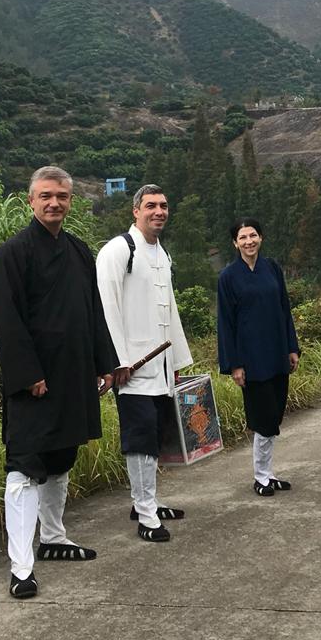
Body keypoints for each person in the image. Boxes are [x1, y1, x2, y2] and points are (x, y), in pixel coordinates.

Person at [0, 166, 117, 600]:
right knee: (25, 465)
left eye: (61, 196)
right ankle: (21, 566)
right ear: (31, 201)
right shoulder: (14, 253)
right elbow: (7, 320)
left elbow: (93, 311)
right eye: (45, 196)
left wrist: (104, 363)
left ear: (70, 201)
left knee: (62, 456)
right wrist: (29, 375)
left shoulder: (79, 251)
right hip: (35, 381)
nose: (54, 203)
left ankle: (54, 538)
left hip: (74, 373)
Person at [96, 185, 192, 542]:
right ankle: (146, 514)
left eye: (164, 205)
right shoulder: (119, 250)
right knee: (139, 440)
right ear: (135, 211)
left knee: (154, 437)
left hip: (161, 366)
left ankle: (147, 502)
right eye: (151, 205)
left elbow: (171, 308)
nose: (159, 211)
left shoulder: (161, 252)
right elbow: (105, 307)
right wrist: (116, 362)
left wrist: (177, 360)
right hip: (132, 368)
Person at [217, 218, 300, 496]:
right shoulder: (228, 277)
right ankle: (261, 476)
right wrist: (234, 365)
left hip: (277, 351)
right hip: (251, 358)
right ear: (235, 243)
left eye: (253, 235)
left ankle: (269, 473)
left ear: (261, 237)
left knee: (274, 415)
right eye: (243, 237)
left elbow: (284, 309)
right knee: (263, 418)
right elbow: (226, 323)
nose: (249, 241)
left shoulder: (272, 268)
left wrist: (292, 347)